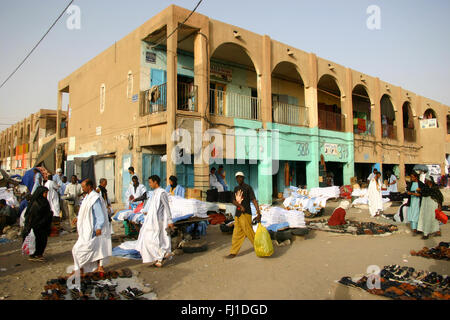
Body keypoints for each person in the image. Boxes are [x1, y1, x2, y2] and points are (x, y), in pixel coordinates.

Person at [71, 179, 112, 275]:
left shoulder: (95, 198)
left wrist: (98, 227)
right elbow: (84, 211)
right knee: (93, 248)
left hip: (94, 229)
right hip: (88, 228)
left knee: (83, 248)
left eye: (84, 186)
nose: (82, 188)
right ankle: (82, 268)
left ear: (89, 186)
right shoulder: (87, 197)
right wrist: (78, 218)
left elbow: (99, 215)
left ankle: (93, 267)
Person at [135, 175, 174, 267]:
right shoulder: (154, 193)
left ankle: (161, 256)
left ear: (155, 182)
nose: (149, 184)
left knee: (154, 240)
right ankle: (160, 258)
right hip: (152, 220)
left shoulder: (162, 193)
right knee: (150, 239)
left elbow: (167, 207)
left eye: (150, 182)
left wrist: (170, 220)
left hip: (159, 220)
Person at [226, 172, 261, 259]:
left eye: (240, 177)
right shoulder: (236, 188)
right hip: (238, 214)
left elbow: (253, 200)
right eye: (237, 178)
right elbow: (233, 201)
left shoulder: (248, 188)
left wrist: (258, 212)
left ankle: (260, 247)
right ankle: (233, 252)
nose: (239, 179)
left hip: (246, 214)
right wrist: (239, 206)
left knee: (249, 233)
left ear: (243, 178)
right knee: (236, 234)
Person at [22, 186, 53, 261]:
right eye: (45, 193)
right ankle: (35, 255)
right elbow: (31, 215)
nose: (46, 194)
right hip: (36, 226)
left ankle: (38, 254)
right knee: (36, 240)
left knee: (41, 240)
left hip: (42, 226)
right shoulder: (36, 203)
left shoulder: (44, 202)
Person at [418, 175, 443, 239]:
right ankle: (426, 233)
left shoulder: (435, 188)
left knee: (434, 218)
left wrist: (440, 205)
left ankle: (435, 231)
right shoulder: (425, 188)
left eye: (426, 180)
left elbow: (440, 197)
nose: (424, 181)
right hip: (426, 205)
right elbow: (422, 193)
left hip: (433, 205)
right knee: (426, 218)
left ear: (429, 181)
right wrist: (419, 191)